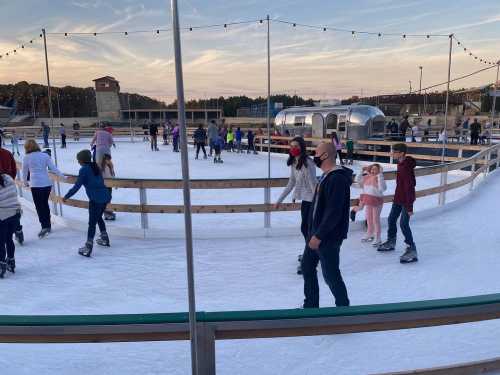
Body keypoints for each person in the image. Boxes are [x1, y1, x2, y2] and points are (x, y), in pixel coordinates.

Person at [301, 142, 351, 308]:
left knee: (330, 274)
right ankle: (311, 305)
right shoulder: (325, 177)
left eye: (317, 152)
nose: (314, 156)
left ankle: (343, 309)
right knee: (307, 267)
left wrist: (319, 235)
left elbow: (334, 212)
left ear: (326, 155)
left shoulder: (336, 179)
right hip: (315, 234)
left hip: (327, 237)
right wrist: (311, 232)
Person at [275, 137, 317, 275]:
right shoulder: (294, 162)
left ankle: (309, 258)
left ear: (302, 147)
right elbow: (291, 182)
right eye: (291, 145)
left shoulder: (307, 163)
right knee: (305, 229)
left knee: (308, 230)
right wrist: (280, 200)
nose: (293, 148)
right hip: (305, 200)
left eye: (296, 146)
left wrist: (317, 202)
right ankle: (311, 253)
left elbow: (313, 183)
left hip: (312, 200)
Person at [63, 150, 111, 257]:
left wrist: (66, 196)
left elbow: (77, 186)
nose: (78, 162)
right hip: (105, 196)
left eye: (78, 160)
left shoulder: (84, 170)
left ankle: (88, 247)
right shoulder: (95, 166)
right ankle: (104, 238)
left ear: (81, 160)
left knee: (92, 223)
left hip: (96, 199)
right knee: (98, 217)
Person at [377, 143, 418, 263]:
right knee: (391, 219)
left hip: (406, 199)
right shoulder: (400, 163)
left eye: (394, 151)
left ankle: (412, 249)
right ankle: (391, 241)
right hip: (399, 198)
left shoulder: (405, 167)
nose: (392, 153)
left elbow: (410, 186)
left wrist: (409, 206)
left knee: (404, 224)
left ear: (401, 153)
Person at [22, 139, 64, 238]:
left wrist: (25, 182)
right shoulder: (45, 155)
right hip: (46, 184)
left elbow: (24, 172)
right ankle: (47, 224)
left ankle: (45, 226)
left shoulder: (27, 158)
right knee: (44, 204)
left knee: (39, 206)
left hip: (36, 185)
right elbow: (53, 168)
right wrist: (63, 176)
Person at [352, 164, 386, 245]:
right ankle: (369, 233)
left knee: (375, 220)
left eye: (375, 169)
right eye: (372, 169)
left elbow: (383, 188)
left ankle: (378, 237)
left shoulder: (379, 179)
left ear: (379, 170)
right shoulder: (367, 177)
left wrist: (380, 175)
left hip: (377, 202)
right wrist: (361, 171)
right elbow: (357, 180)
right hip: (368, 200)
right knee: (369, 218)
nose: (373, 171)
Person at [0, 135, 23, 244]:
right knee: (12, 207)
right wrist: (10, 182)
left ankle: (8, 233)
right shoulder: (7, 153)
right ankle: (17, 229)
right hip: (9, 185)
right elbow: (14, 169)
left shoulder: (7, 153)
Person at [0, 171, 21, 278]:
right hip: (15, 213)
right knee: (8, 239)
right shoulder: (8, 178)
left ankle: (1, 264)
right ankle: (11, 261)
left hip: (2, 216)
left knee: (0, 241)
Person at [100, 154, 116, 221]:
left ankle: (108, 212)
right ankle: (107, 214)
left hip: (109, 185)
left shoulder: (109, 166)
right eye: (108, 160)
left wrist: (114, 184)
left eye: (110, 160)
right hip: (105, 186)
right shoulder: (103, 167)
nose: (109, 161)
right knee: (107, 200)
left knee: (108, 199)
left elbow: (112, 175)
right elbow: (107, 177)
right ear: (105, 160)